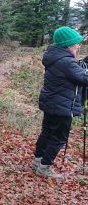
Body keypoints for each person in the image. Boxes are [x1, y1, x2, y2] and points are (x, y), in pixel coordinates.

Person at [30, 26, 88, 181]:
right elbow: (84, 78)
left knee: (47, 132)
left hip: (52, 104)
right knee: (59, 138)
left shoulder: (56, 57)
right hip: (62, 107)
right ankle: (44, 168)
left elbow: (77, 71)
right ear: (68, 45)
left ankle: (37, 162)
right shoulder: (67, 62)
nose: (78, 46)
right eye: (77, 44)